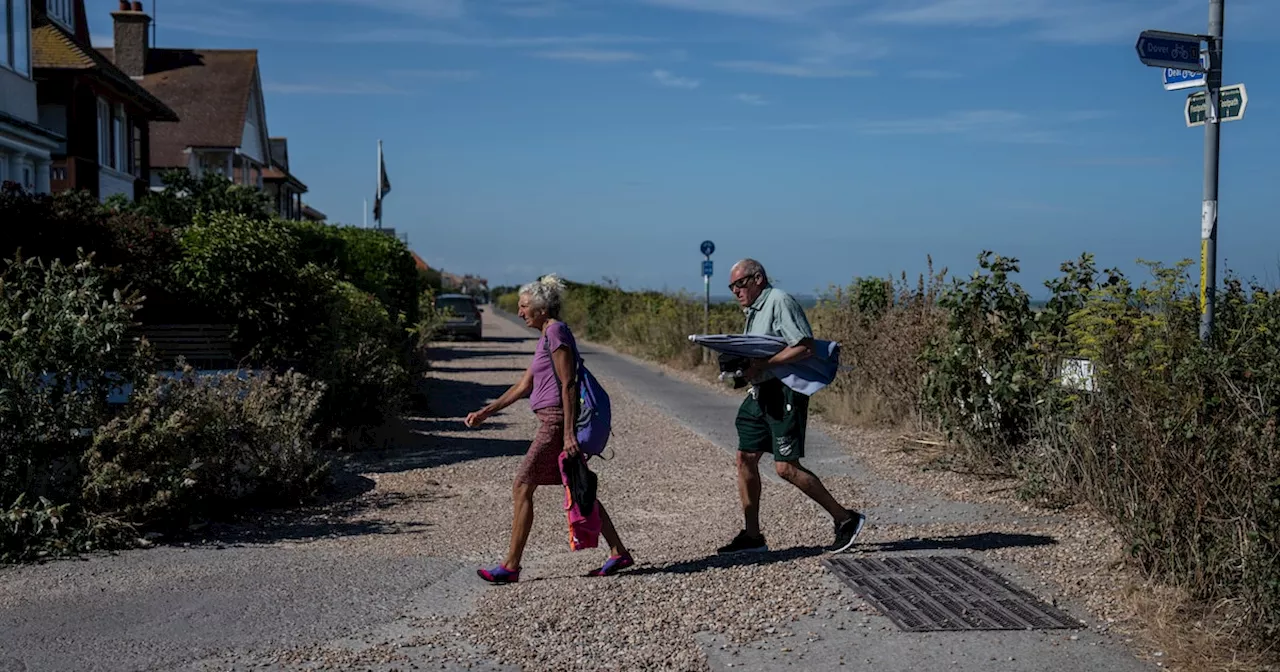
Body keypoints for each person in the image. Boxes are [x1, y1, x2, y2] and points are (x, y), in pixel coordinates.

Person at [464, 275, 634, 583]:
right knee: (578, 485)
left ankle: (511, 566)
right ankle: (618, 552)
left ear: (542, 309)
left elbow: (568, 384)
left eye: (525, 306)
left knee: (522, 485)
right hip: (551, 421)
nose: (519, 312)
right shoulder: (547, 335)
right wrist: (486, 412)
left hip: (556, 422)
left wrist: (568, 433)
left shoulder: (556, 332)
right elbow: (525, 385)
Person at [717, 258, 866, 555]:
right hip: (760, 390)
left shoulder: (779, 301)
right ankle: (753, 536)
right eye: (731, 286)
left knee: (785, 468)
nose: (735, 291)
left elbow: (804, 346)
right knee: (745, 457)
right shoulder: (753, 309)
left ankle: (846, 519)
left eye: (739, 284)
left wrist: (764, 364)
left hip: (785, 390)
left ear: (757, 278)